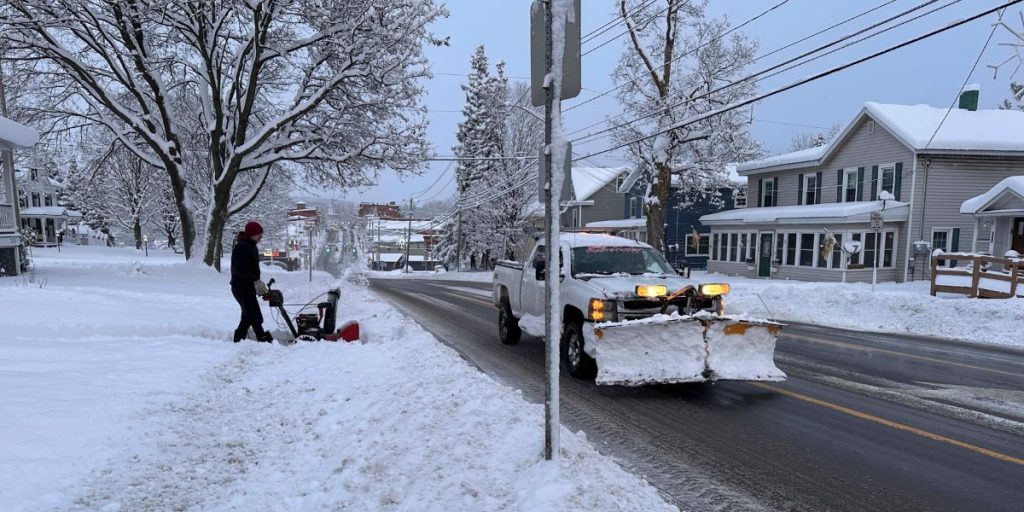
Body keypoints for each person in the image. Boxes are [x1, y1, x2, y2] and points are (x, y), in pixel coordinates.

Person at [230, 221, 273, 343]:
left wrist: (256, 283)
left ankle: (238, 339)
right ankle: (262, 338)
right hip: (241, 287)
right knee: (253, 314)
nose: (261, 237)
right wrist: (255, 281)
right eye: (259, 234)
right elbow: (240, 269)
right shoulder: (242, 247)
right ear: (252, 234)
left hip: (248, 287)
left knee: (248, 314)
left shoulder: (251, 245)